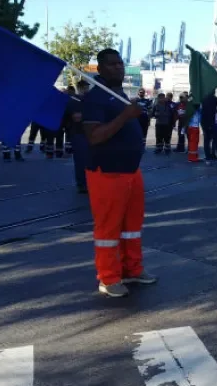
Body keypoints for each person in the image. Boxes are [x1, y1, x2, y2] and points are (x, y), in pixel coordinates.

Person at [82, 48, 157, 298]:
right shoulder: (96, 98)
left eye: (120, 63)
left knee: (132, 226)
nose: (118, 67)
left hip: (131, 170)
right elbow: (94, 136)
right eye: (112, 64)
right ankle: (108, 277)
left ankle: (132, 269)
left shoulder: (118, 93)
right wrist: (126, 115)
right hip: (107, 171)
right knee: (108, 228)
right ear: (100, 69)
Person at [66, 81, 89, 194]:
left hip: (88, 133)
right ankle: (82, 184)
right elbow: (76, 117)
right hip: (77, 133)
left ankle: (88, 182)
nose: (87, 90)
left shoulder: (87, 101)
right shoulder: (74, 101)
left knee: (89, 160)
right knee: (81, 160)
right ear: (80, 88)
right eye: (85, 88)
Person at [201, 92, 217, 163]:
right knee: (214, 139)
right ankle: (213, 154)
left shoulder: (203, 99)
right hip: (212, 123)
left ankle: (208, 156)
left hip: (204, 122)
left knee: (206, 140)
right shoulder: (215, 99)